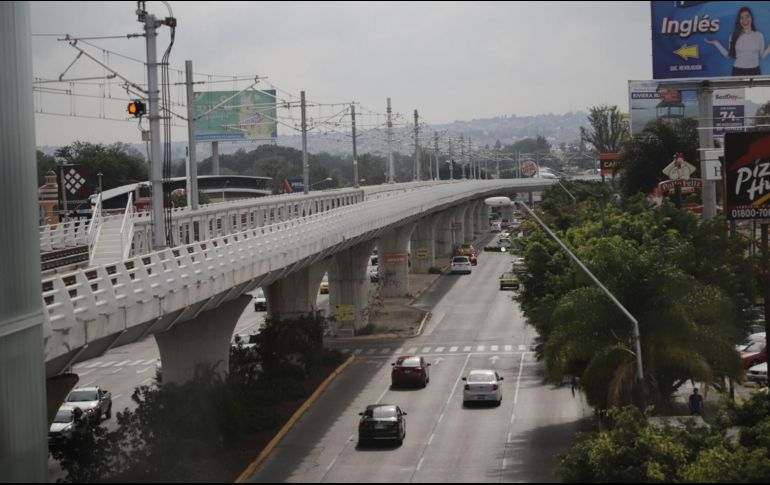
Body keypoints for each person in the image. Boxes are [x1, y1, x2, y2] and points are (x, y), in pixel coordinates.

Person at [705, 6, 770, 76]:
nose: (745, 20)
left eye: (747, 16)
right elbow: (729, 56)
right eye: (741, 18)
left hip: (755, 71)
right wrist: (716, 43)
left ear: (751, 18)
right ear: (739, 20)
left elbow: (762, 56)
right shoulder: (733, 36)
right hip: (738, 71)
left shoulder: (759, 35)